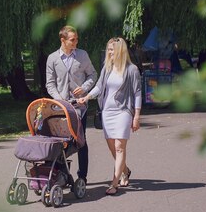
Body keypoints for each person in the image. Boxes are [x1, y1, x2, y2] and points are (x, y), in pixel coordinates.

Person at [78, 37, 142, 196]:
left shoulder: (131, 69)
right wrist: (86, 97)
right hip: (107, 112)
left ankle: (114, 183)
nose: (109, 52)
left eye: (112, 50)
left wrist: (136, 116)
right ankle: (125, 171)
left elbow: (137, 93)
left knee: (120, 148)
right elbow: (99, 87)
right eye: (108, 50)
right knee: (113, 149)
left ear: (120, 51)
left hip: (123, 112)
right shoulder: (107, 68)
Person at [45, 25, 97, 183]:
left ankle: (82, 176)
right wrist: (59, 99)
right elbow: (50, 84)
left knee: (80, 140)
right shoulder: (52, 58)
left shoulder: (82, 55)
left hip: (79, 106)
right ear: (63, 40)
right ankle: (62, 174)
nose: (76, 42)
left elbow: (93, 74)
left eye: (76, 39)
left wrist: (85, 87)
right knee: (60, 141)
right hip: (60, 108)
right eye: (73, 39)